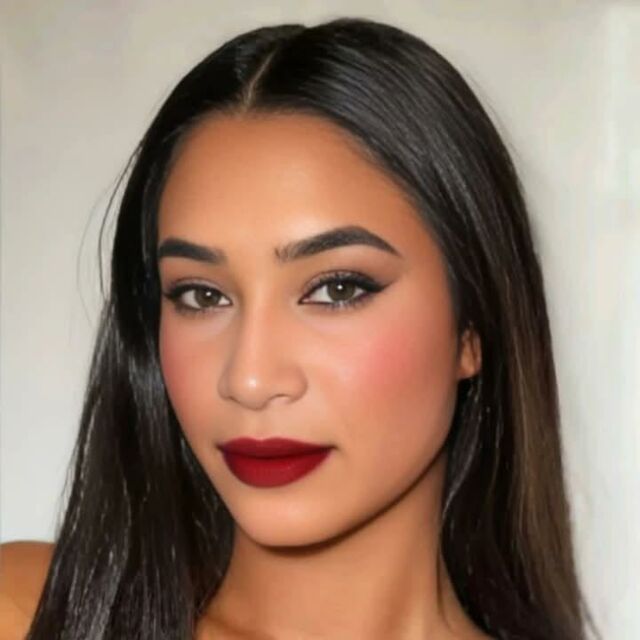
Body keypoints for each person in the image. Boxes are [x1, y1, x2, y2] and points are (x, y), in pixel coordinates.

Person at [0, 16, 599, 640]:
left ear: (471, 327)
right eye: (202, 295)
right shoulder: (28, 613)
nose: (250, 379)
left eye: (337, 289)